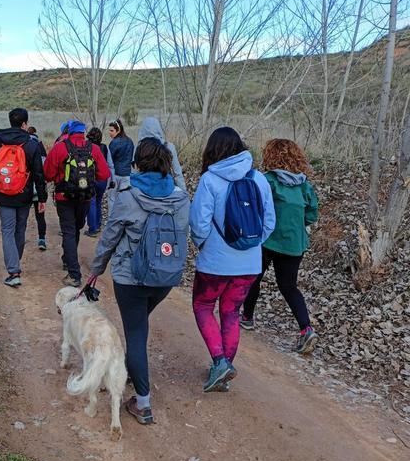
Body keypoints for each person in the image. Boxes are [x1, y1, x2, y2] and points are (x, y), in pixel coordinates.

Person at [88, 138, 190, 425]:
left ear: (138, 162)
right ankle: (135, 369)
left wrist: (96, 269)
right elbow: (183, 233)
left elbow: (110, 236)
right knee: (139, 324)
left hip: (130, 278)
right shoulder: (180, 197)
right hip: (165, 277)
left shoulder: (129, 195)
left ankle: (143, 403)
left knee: (135, 334)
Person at [189, 127, 275, 392]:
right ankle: (223, 367)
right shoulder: (259, 179)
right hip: (249, 264)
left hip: (215, 263)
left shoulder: (210, 180)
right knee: (231, 314)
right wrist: (251, 246)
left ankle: (220, 362)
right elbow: (269, 222)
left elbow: (199, 224)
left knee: (203, 306)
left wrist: (203, 245)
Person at [240, 139, 319, 354]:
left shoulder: (268, 181)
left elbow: (255, 206)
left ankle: (247, 317)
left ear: (271, 156)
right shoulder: (305, 185)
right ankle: (306, 329)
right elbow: (312, 213)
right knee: (289, 286)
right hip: (295, 244)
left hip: (268, 239)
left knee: (254, 276)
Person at [0, 108, 47, 288]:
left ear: (10, 121)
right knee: (20, 229)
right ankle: (14, 264)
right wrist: (42, 199)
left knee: (7, 230)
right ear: (25, 124)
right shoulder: (31, 144)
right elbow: (39, 175)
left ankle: (13, 270)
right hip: (24, 195)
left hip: (3, 194)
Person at [44, 120, 110, 288]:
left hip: (64, 197)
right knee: (76, 229)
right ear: (83, 132)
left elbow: (48, 173)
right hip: (85, 197)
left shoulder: (60, 147)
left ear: (69, 131)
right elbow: (104, 174)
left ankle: (74, 273)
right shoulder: (93, 148)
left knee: (68, 231)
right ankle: (68, 259)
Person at [137, 117, 186, 191]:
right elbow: (177, 174)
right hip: (166, 188)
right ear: (159, 129)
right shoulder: (169, 146)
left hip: (145, 188)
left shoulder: (139, 148)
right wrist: (184, 193)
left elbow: (135, 172)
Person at [84, 127, 109, 237]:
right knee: (98, 202)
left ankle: (92, 229)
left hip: (92, 178)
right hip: (103, 179)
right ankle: (98, 225)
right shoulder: (104, 147)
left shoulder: (87, 147)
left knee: (91, 202)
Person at [28, 126, 48, 250]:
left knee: (22, 216)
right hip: (39, 190)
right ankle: (42, 239)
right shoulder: (41, 151)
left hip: (25, 189)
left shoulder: (24, 149)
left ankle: (19, 238)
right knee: (40, 216)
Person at [106, 119, 134, 211]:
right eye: (109, 130)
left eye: (111, 130)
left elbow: (109, 160)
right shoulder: (130, 141)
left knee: (112, 199)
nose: (109, 133)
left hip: (115, 175)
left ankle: (111, 220)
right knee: (124, 200)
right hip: (126, 175)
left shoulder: (114, 143)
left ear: (118, 130)